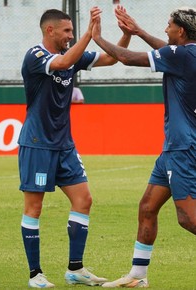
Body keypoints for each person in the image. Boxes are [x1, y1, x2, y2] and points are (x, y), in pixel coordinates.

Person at [18, 6, 132, 288]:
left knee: (84, 199)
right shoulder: (36, 56)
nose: (70, 35)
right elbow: (62, 62)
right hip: (37, 144)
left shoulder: (72, 55)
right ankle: (36, 274)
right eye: (66, 31)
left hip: (64, 145)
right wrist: (89, 35)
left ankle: (75, 269)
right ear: (50, 30)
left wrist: (125, 35)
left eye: (72, 31)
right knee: (34, 208)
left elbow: (111, 59)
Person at [92, 6, 196, 288]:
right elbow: (166, 49)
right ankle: (137, 276)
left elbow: (125, 58)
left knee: (188, 218)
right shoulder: (187, 54)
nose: (166, 29)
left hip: (183, 147)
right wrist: (137, 32)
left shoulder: (183, 55)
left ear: (181, 31)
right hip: (172, 149)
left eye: (169, 25)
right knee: (148, 207)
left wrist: (97, 37)